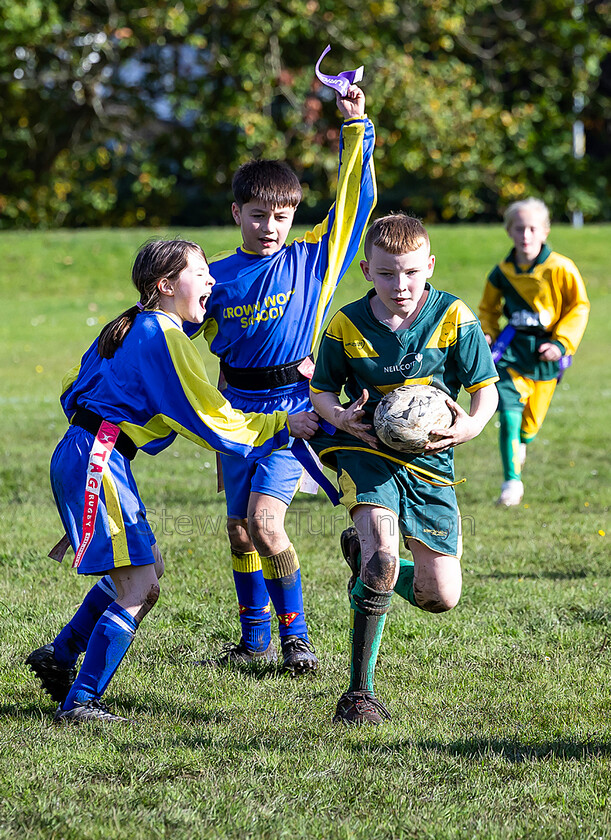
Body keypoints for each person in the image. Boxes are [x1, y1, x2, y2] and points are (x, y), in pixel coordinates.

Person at [26, 238, 317, 723]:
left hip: (84, 454)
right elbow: (209, 418)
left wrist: (88, 463)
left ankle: (60, 653)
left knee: (149, 569)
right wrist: (282, 425)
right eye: (200, 274)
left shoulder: (126, 325)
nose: (211, 282)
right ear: (164, 286)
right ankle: (80, 702)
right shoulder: (164, 334)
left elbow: (71, 388)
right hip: (98, 460)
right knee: (139, 589)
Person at [188, 83, 376, 675]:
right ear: (237, 213)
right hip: (236, 414)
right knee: (241, 531)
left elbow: (354, 204)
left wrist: (356, 129)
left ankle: (296, 640)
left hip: (295, 411)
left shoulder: (312, 260)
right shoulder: (213, 279)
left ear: (294, 216)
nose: (271, 226)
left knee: (268, 525)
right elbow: (167, 335)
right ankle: (254, 638)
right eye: (259, 215)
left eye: (283, 215)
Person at [308, 213, 499, 725]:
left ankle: (366, 562)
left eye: (412, 273)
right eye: (388, 273)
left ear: (429, 266)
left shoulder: (455, 316)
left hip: (432, 463)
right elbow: (322, 390)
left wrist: (471, 427)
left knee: (441, 596)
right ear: (368, 270)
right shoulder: (346, 324)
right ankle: (358, 695)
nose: (401, 285)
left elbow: (486, 390)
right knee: (383, 561)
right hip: (365, 450)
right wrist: (337, 417)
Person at [478, 198, 590, 507]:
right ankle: (511, 482)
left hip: (546, 355)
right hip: (513, 353)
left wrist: (561, 343)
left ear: (545, 231)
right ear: (509, 232)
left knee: (530, 424)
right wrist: (489, 331)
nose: (525, 235)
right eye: (518, 228)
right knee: (509, 414)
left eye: (532, 228)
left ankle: (523, 442)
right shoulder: (501, 272)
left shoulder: (561, 267)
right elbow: (487, 308)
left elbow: (578, 307)